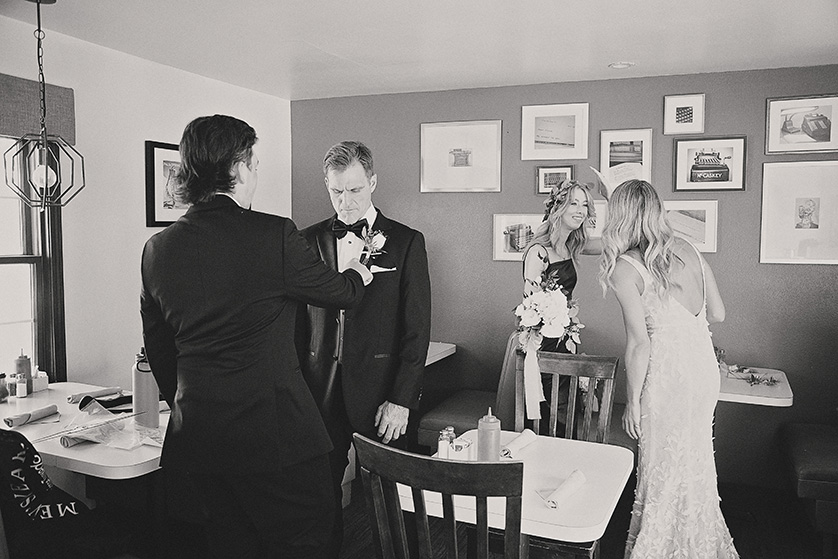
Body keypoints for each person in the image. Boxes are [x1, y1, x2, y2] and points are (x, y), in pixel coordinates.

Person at [140, 115, 373, 559]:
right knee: (309, 540)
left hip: (199, 438)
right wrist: (359, 273)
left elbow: (160, 350)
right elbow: (339, 293)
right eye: (256, 164)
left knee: (228, 545)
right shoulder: (273, 234)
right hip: (276, 436)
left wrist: (190, 403)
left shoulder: (157, 249)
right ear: (240, 168)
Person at [297, 140, 431, 558]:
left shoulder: (407, 242)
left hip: (382, 396)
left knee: (391, 504)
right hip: (319, 394)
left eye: (354, 190)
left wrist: (401, 399)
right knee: (317, 504)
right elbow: (298, 327)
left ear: (372, 182)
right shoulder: (305, 240)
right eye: (336, 191)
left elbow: (417, 330)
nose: (345, 202)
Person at [597, 180, 738, 557]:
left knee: (661, 463)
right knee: (694, 460)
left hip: (668, 374)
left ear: (621, 216)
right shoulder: (689, 249)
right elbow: (718, 313)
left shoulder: (625, 268)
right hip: (702, 368)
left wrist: (632, 402)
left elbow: (639, 345)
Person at [521, 179, 600, 431]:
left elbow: (615, 243)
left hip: (565, 344)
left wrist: (611, 201)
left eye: (585, 205)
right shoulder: (539, 251)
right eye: (573, 203)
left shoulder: (570, 245)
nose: (580, 210)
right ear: (558, 208)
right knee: (553, 419)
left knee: (568, 419)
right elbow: (529, 308)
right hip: (543, 349)